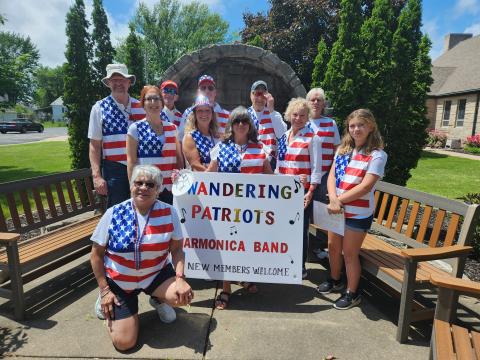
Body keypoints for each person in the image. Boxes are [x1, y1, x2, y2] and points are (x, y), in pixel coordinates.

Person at [90, 164, 193, 351]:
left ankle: (158, 299)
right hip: (120, 281)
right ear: (131, 186)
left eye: (150, 184)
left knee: (183, 297)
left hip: (155, 275)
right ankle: (108, 300)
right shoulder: (113, 213)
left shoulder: (170, 212)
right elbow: (96, 255)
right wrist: (105, 289)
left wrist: (180, 279)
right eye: (139, 182)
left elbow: (177, 249)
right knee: (124, 343)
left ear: (159, 190)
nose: (144, 187)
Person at [316, 109, 387, 310]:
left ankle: (352, 292)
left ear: (371, 127)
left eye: (361, 125)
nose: (356, 129)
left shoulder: (377, 155)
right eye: (353, 125)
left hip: (358, 213)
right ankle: (335, 279)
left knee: (349, 253)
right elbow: (331, 176)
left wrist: (338, 200)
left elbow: (365, 186)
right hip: (336, 209)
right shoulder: (343, 150)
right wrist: (334, 200)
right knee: (333, 247)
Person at [206, 106, 273, 309]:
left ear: (250, 125)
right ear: (231, 125)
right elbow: (209, 175)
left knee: (246, 246)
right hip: (227, 209)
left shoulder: (260, 148)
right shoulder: (221, 147)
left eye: (245, 121)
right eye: (237, 121)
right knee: (227, 247)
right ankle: (226, 288)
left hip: (253, 211)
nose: (241, 125)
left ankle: (242, 278)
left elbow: (270, 177)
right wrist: (184, 179)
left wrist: (294, 183)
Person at [276, 98, 323, 279]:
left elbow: (316, 169)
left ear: (308, 117)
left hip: (302, 192)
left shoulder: (313, 138)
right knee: (284, 228)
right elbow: (279, 166)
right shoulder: (283, 137)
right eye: (295, 114)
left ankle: (299, 266)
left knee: (299, 229)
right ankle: (284, 262)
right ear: (289, 115)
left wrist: (310, 189)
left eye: (303, 115)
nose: (298, 118)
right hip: (283, 191)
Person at [88, 63, 145, 209]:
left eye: (122, 79)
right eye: (114, 80)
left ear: (129, 82)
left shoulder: (141, 107)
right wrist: (96, 176)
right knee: (117, 212)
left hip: (140, 167)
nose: (118, 83)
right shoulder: (99, 108)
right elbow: (94, 145)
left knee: (142, 209)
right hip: (114, 169)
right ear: (108, 83)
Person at [126, 85, 184, 206]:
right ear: (143, 104)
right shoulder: (135, 129)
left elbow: (179, 158)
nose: (153, 102)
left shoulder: (173, 128)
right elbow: (131, 162)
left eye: (157, 98)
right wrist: (133, 188)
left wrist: (180, 180)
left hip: (171, 189)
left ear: (162, 103)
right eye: (149, 99)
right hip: (147, 189)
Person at [307, 87, 340, 203]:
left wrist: (335, 170)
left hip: (324, 175)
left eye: (319, 100)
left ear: (323, 104)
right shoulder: (301, 122)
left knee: (318, 210)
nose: (315, 103)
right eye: (312, 100)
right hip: (304, 174)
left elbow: (337, 148)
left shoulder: (331, 123)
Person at [247, 80, 287, 169]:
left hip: (270, 163)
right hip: (250, 161)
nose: (260, 98)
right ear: (251, 95)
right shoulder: (244, 114)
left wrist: (271, 110)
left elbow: (282, 135)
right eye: (257, 94)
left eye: (263, 94)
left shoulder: (274, 114)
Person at [182, 95, 221, 171]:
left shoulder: (218, 137)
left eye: (207, 110)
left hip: (216, 181)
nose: (204, 114)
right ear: (195, 114)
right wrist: (212, 175)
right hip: (199, 180)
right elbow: (195, 165)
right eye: (200, 111)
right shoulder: (190, 137)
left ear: (212, 114)